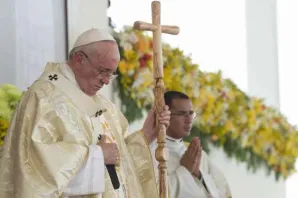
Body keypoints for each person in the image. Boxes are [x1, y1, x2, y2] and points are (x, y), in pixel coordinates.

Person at [0, 28, 170, 198]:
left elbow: (120, 166)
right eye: (103, 71)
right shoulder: (43, 97)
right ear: (79, 59)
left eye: (111, 74)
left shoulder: (104, 106)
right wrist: (97, 156)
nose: (105, 81)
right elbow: (34, 171)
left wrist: (147, 134)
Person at [150, 91, 232, 198]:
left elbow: (224, 192)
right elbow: (152, 193)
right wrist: (185, 170)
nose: (189, 120)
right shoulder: (152, 152)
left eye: (191, 113)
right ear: (165, 115)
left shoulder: (196, 153)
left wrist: (199, 174)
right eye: (182, 114)